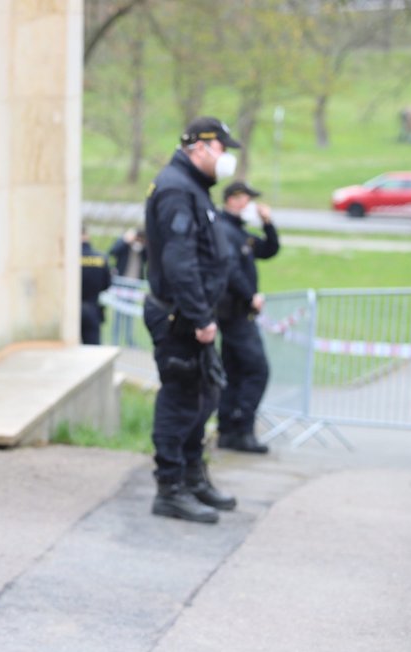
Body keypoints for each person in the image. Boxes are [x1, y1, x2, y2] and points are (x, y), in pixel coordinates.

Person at [142, 116, 238, 524]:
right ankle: (170, 488)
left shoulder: (193, 187)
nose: (226, 158)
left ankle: (193, 478)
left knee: (202, 399)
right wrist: (200, 317)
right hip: (179, 316)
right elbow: (179, 262)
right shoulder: (176, 189)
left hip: (192, 314)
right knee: (180, 400)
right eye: (221, 148)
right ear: (199, 147)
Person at [215, 181, 280, 454]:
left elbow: (268, 250)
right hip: (235, 313)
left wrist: (267, 223)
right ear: (232, 199)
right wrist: (250, 295)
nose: (249, 205)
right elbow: (229, 269)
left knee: (235, 372)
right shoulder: (224, 230)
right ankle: (242, 429)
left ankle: (228, 429)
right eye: (245, 199)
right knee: (256, 369)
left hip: (237, 313)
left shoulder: (240, 232)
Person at [81, 226, 112, 345]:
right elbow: (107, 284)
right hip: (93, 307)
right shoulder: (101, 258)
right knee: (93, 349)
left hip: (71, 310)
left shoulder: (67, 257)